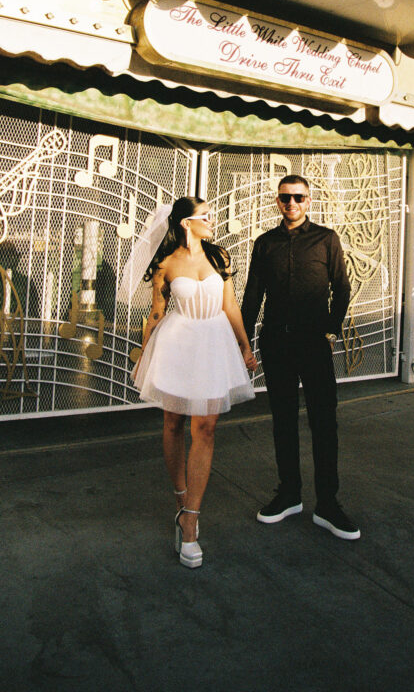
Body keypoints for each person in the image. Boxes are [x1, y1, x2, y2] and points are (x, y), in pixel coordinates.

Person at [123, 196, 257, 569]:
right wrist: (144, 355)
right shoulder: (165, 264)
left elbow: (230, 305)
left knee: (207, 427)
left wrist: (246, 348)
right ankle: (180, 498)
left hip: (214, 343)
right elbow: (155, 313)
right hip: (177, 344)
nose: (211, 221)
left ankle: (191, 521)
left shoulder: (218, 258)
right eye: (205, 216)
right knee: (173, 422)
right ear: (186, 223)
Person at [241, 174, 360, 540]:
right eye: (285, 197)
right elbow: (252, 296)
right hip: (276, 343)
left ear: (309, 201)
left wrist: (329, 329)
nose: (291, 203)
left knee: (324, 421)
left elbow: (341, 288)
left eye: (298, 197)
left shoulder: (326, 239)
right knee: (283, 420)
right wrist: (242, 343)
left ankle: (328, 503)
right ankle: (289, 494)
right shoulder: (264, 244)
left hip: (313, 343)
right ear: (277, 201)